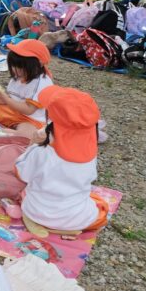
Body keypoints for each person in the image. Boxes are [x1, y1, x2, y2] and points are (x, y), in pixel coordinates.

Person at [15, 86, 110, 236]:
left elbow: (22, 174)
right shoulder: (91, 154)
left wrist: (32, 144)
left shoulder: (41, 152)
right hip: (76, 218)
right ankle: (67, 228)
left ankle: (44, 224)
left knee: (25, 193)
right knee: (100, 206)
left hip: (36, 212)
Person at [0, 39, 53, 140]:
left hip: (30, 120)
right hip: (12, 112)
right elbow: (14, 99)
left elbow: (29, 110)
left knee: (27, 136)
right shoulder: (18, 76)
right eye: (13, 65)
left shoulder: (42, 83)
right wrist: (1, 100)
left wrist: (5, 99)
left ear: (39, 64)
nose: (15, 70)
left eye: (20, 67)